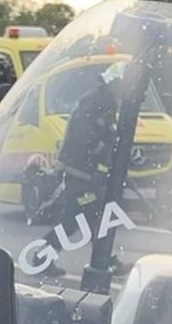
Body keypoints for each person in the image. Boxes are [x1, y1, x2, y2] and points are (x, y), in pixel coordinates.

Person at [38, 61, 130, 278]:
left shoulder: (104, 102)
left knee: (79, 219)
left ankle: (43, 258)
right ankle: (104, 260)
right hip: (79, 173)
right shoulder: (97, 104)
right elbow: (85, 138)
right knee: (89, 217)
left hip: (83, 173)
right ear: (114, 83)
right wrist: (105, 149)